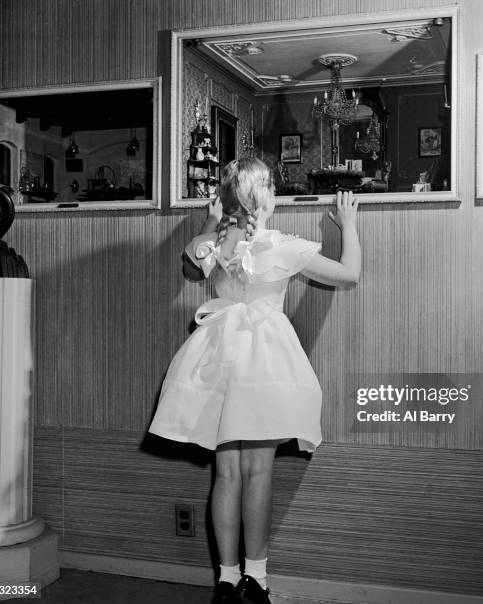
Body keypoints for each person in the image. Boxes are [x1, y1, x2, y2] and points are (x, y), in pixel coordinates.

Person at [148, 158, 360, 604]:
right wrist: (350, 224)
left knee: (225, 474)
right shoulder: (279, 245)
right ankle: (256, 580)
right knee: (258, 470)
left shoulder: (214, 244)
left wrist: (211, 221)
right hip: (263, 356)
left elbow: (189, 269)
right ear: (266, 198)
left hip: (217, 355)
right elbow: (349, 274)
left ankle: (225, 580)